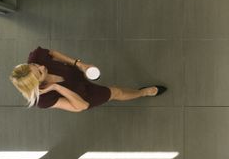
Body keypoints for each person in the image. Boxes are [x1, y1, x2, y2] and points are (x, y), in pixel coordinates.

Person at [9, 47, 166, 112]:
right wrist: (57, 87)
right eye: (40, 73)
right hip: (79, 94)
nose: (42, 67)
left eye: (36, 65)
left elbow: (52, 54)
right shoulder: (43, 99)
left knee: (108, 86)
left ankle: (141, 92)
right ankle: (143, 92)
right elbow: (82, 106)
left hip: (73, 73)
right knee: (115, 92)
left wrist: (79, 64)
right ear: (38, 84)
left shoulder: (36, 57)